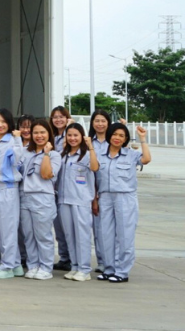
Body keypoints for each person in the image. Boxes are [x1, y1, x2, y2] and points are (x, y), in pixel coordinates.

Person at [96, 122, 151, 283]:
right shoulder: (99, 155)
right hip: (105, 197)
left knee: (125, 235)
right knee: (105, 234)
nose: (117, 138)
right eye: (114, 134)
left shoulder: (131, 155)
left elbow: (146, 159)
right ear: (109, 136)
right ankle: (109, 269)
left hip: (125, 197)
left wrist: (142, 139)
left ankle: (122, 271)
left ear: (126, 139)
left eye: (121, 136)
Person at [19, 118, 62, 280]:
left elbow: (46, 174)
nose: (39, 136)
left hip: (42, 198)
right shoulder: (25, 152)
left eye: (42, 132)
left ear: (49, 134)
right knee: (29, 235)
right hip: (25, 197)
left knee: (43, 235)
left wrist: (45, 154)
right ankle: (33, 265)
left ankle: (45, 267)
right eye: (35, 132)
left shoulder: (54, 155)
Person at [57, 122, 99, 281]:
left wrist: (91, 147)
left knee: (82, 235)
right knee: (70, 235)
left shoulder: (86, 154)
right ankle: (75, 266)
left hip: (81, 200)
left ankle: (84, 269)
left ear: (82, 137)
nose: (72, 138)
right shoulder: (63, 155)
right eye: (69, 135)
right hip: (64, 200)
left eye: (76, 135)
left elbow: (94, 168)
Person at [0, 108, 24, 279]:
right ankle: (15, 264)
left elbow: (17, 161)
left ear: (9, 123)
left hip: (7, 189)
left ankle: (7, 266)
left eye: (3, 122)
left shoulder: (12, 141)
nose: (0, 125)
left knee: (8, 230)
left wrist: (17, 140)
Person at [88, 109, 112, 272]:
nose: (100, 124)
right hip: (95, 191)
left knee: (112, 231)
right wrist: (94, 197)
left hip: (112, 190)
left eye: (103, 121)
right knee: (99, 230)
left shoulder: (114, 141)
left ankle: (113, 261)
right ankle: (102, 262)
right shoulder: (89, 143)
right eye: (97, 121)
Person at [49, 105, 72, 271]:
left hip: (68, 187)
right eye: (55, 117)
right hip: (53, 188)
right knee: (58, 226)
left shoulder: (71, 136)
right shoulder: (51, 138)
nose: (58, 120)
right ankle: (64, 257)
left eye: (61, 117)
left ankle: (73, 257)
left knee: (68, 226)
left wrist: (70, 127)